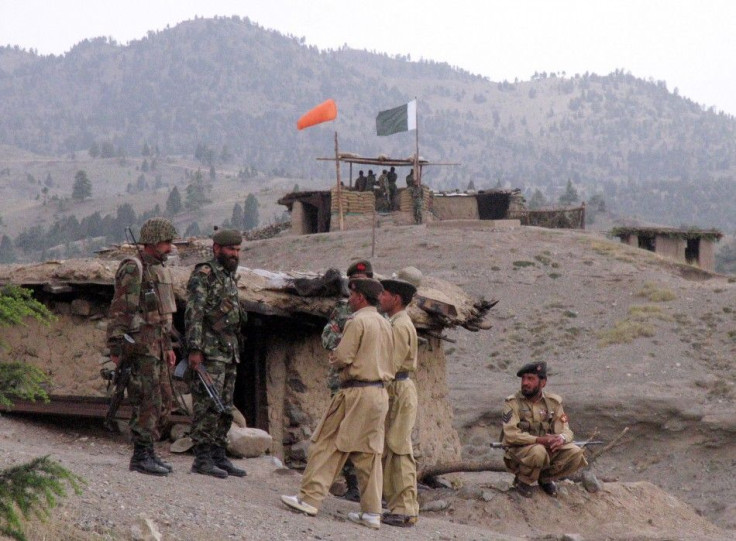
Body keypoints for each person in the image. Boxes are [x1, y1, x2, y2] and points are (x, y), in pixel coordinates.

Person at [282, 278, 394, 530]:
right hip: (379, 394)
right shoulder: (386, 324)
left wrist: (335, 359)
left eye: (352, 295)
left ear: (361, 298)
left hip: (355, 392)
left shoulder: (358, 322)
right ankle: (372, 512)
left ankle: (309, 499)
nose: (349, 299)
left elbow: (343, 356)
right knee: (369, 454)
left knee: (327, 442)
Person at [106, 217, 178, 476]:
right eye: (166, 243)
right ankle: (140, 456)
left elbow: (163, 316)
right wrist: (116, 347)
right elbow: (120, 311)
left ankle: (149, 451)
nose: (170, 248)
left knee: (161, 399)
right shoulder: (133, 268)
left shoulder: (159, 271)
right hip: (140, 347)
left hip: (157, 346)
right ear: (152, 242)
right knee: (146, 400)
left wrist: (168, 347)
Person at [185, 229, 248, 479]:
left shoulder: (230, 277)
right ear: (216, 248)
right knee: (207, 404)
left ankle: (219, 455)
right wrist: (195, 349)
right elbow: (195, 314)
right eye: (231, 249)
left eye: (238, 250)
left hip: (229, 351)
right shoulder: (205, 275)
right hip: (209, 352)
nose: (235, 254)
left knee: (225, 405)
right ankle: (202, 457)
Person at [320, 259, 374, 501]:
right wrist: (347, 347)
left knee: (370, 436)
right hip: (344, 382)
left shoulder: (379, 310)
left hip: (372, 384)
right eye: (356, 283)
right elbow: (328, 338)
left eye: (366, 281)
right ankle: (352, 486)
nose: (360, 287)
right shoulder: (343, 310)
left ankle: (372, 489)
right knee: (343, 432)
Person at [501, 361, 587, 498]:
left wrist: (560, 439)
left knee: (576, 453)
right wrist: (540, 440)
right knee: (538, 451)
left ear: (543, 383)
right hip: (520, 451)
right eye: (523, 379)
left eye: (530, 379)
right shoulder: (512, 403)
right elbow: (511, 435)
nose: (525, 383)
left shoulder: (554, 403)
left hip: (545, 450)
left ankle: (545, 479)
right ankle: (523, 481)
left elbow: (566, 430)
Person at [379, 277, 420, 527]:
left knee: (399, 448)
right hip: (397, 387)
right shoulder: (395, 322)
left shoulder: (399, 326)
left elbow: (389, 366)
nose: (380, 297)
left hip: (398, 389)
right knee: (391, 449)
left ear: (395, 299)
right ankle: (396, 504)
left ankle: (405, 508)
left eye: (384, 294)